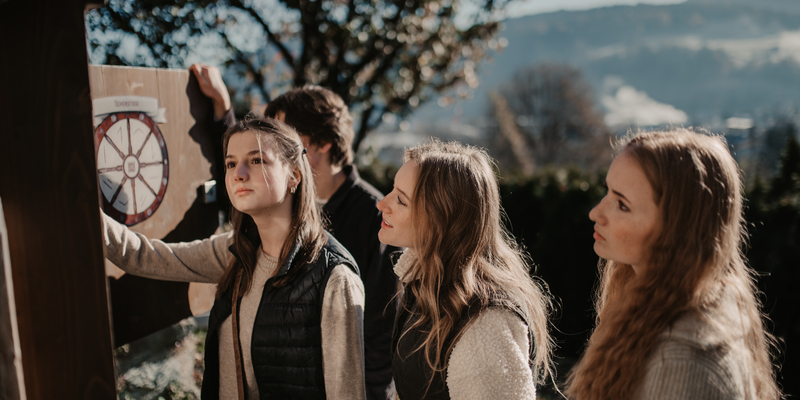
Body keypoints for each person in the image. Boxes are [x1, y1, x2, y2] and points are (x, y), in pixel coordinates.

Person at [102, 117, 367, 400]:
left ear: (294, 175)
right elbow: (141, 256)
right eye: (230, 164)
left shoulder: (334, 277)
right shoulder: (235, 251)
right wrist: (78, 202)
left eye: (256, 160)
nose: (239, 174)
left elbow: (347, 394)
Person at [191, 64, 399, 400]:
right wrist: (223, 109)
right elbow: (246, 166)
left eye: (285, 133)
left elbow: (378, 329)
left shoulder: (374, 217)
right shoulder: (286, 206)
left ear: (325, 143)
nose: (273, 144)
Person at [566, 129, 781, 400]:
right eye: (607, 192)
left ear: (675, 230)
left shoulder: (683, 363)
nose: (596, 212)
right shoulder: (654, 308)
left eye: (622, 204)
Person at [377, 140, 555, 400]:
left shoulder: (486, 321)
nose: (382, 204)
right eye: (393, 190)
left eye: (401, 200)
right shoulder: (425, 282)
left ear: (441, 218)